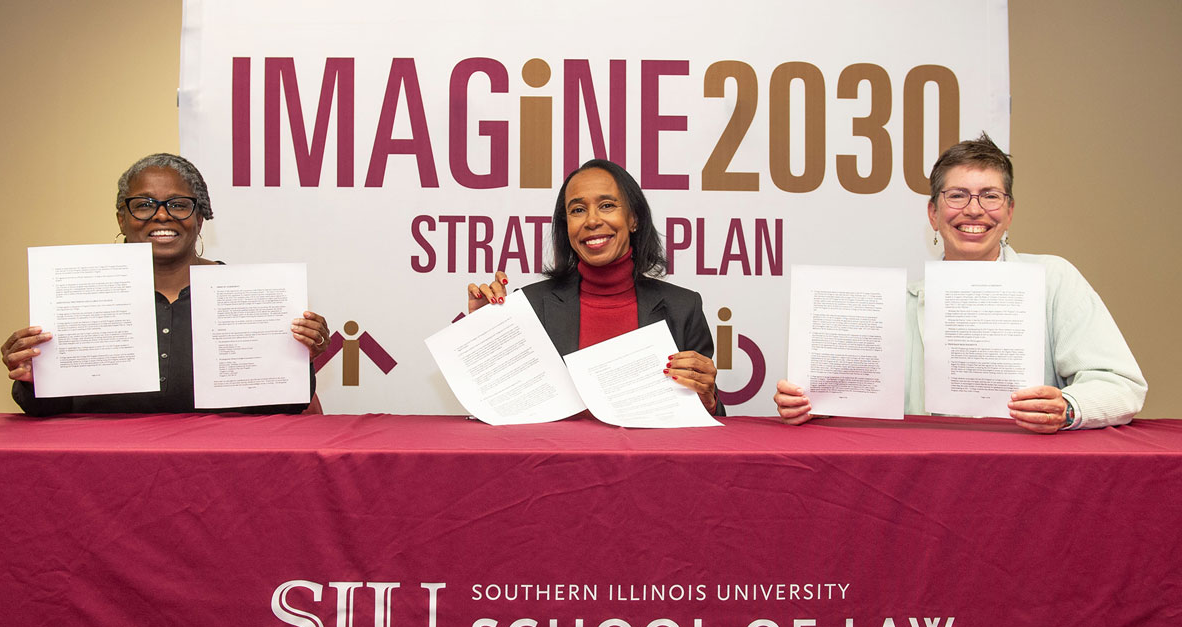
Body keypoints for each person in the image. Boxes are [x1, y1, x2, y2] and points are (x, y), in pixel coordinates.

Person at [775, 133, 1146, 432]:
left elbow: (1122, 386)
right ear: (933, 214)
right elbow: (873, 407)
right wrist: (817, 405)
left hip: (1032, 477)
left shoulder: (1054, 280)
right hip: (930, 480)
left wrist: (1068, 407)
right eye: (957, 196)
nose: (973, 209)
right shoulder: (901, 303)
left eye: (990, 196)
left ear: (1009, 212)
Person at [0, 153, 330, 415]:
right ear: (122, 218)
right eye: (143, 204)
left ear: (199, 218)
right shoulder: (77, 298)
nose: (161, 216)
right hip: (104, 480)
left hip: (222, 478)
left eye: (178, 204)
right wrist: (33, 378)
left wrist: (299, 359)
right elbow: (50, 411)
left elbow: (285, 408)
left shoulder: (246, 300)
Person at [467, 158, 723, 415]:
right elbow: (507, 407)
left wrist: (707, 399)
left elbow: (708, 423)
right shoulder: (530, 306)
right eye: (577, 210)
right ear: (567, 226)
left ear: (633, 219)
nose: (591, 221)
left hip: (648, 455)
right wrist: (486, 335)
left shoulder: (683, 308)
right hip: (558, 454)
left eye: (607, 205)